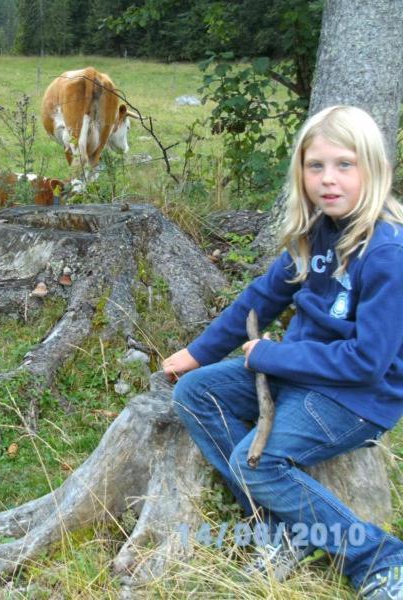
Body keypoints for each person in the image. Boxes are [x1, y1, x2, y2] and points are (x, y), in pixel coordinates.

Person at [163, 105, 403, 599]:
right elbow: (262, 297)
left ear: (374, 168)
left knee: (259, 464)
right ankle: (283, 527)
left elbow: (366, 362)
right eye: (316, 166)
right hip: (301, 375)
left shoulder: (386, 254)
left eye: (344, 165)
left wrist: (270, 357)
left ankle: (379, 560)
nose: (328, 180)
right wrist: (198, 352)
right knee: (195, 392)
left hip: (357, 397)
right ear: (301, 172)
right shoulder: (317, 232)